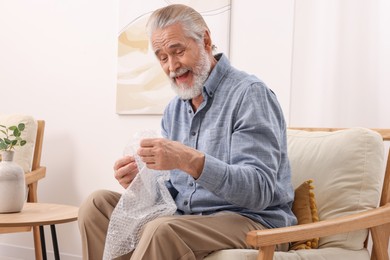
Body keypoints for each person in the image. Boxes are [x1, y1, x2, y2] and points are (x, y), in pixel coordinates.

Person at [78, 4, 297, 260]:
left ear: (205, 40)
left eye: (178, 51)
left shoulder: (249, 94)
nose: (172, 66)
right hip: (189, 218)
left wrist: (188, 159)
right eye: (162, 57)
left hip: (251, 220)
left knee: (163, 229)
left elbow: (259, 191)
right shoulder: (175, 110)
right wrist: (143, 182)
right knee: (97, 205)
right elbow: (175, 192)